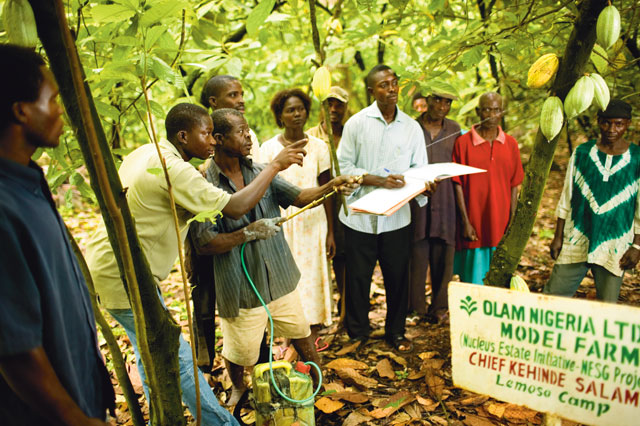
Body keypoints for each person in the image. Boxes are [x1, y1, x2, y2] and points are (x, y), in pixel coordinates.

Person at [86, 103, 306, 425]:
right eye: (206, 134)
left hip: (115, 267)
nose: (213, 141)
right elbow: (236, 207)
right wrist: (274, 166)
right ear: (183, 136)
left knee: (151, 354)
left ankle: (161, 417)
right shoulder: (176, 170)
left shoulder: (146, 152)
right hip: (124, 276)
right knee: (180, 359)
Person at [189, 108, 359, 405]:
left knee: (302, 333)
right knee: (239, 351)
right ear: (218, 138)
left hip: (279, 276)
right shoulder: (205, 183)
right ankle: (240, 387)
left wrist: (333, 185)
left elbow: (299, 197)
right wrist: (247, 233)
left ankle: (318, 386)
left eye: (247, 129)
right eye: (240, 131)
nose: (248, 136)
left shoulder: (257, 171)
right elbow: (204, 243)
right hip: (241, 287)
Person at [0, 43, 115, 426]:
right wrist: (73, 418)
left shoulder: (27, 180)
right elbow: (14, 348)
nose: (61, 110)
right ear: (21, 111)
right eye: (52, 99)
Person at [337, 64, 435, 353]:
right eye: (383, 85)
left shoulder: (411, 127)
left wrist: (424, 184)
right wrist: (378, 180)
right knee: (357, 278)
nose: (391, 89)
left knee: (396, 276)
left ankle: (396, 332)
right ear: (372, 90)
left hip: (396, 218)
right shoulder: (356, 123)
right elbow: (343, 167)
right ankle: (357, 334)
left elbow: (420, 168)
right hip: (360, 217)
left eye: (394, 83)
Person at [259, 89, 335, 348]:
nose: (296, 114)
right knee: (284, 279)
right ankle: (289, 336)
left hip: (314, 223)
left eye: (300, 109)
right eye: (290, 110)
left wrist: (332, 233)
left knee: (312, 276)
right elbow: (261, 187)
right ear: (280, 116)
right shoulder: (268, 149)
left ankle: (311, 334)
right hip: (281, 223)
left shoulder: (319, 147)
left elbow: (328, 190)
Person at [544, 100, 640, 302]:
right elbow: (566, 196)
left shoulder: (637, 158)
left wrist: (637, 247)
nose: (611, 129)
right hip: (577, 236)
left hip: (615, 243)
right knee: (552, 299)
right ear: (598, 122)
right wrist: (558, 236)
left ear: (628, 124)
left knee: (607, 307)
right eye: (606, 123)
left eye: (618, 124)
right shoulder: (582, 153)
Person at [452, 92, 524, 285]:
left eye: (496, 110)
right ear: (478, 112)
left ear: (502, 112)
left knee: (500, 283)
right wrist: (465, 222)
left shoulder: (510, 144)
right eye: (486, 110)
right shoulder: (463, 143)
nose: (492, 115)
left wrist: (513, 222)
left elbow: (514, 186)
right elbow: (457, 185)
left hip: (501, 224)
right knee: (474, 283)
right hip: (474, 225)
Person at [410, 92, 461, 323]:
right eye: (437, 100)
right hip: (416, 200)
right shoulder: (411, 127)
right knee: (416, 253)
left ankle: (439, 307)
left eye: (447, 102)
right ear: (427, 100)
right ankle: (416, 308)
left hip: (446, 199)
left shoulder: (454, 129)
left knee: (444, 253)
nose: (442, 106)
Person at [307, 86, 349, 322]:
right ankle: (319, 315)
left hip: (348, 207)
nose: (334, 109)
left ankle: (346, 311)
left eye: (339, 104)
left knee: (346, 261)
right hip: (322, 207)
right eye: (329, 104)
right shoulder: (311, 136)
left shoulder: (350, 134)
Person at [200, 74, 259, 158]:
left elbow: (255, 168)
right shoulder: (200, 135)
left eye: (242, 95)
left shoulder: (249, 135)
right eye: (233, 95)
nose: (242, 101)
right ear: (213, 101)